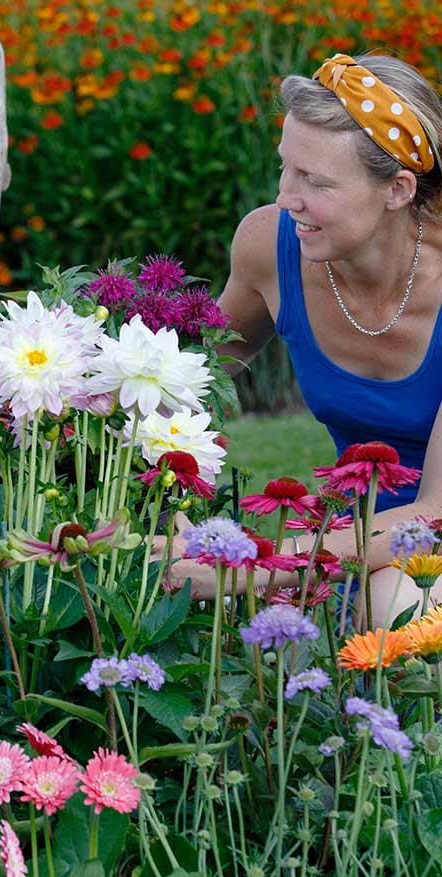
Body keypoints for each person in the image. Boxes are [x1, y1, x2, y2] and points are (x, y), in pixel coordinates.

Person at [166, 52, 442, 623]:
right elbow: (187, 386)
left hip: (416, 550)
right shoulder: (270, 246)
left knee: (399, 604)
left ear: (397, 189)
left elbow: (437, 516)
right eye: (285, 167)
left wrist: (249, 568)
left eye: (315, 181)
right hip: (354, 547)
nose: (286, 197)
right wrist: (161, 489)